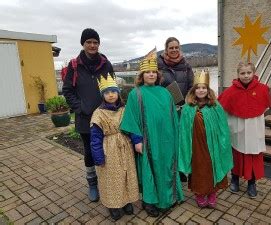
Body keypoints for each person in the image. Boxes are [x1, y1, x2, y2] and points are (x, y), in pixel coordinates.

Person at [120, 55, 184, 217]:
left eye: (153, 72)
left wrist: (176, 137)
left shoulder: (165, 92)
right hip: (148, 141)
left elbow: (173, 116)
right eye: (147, 72)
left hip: (167, 140)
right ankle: (150, 202)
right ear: (141, 76)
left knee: (166, 167)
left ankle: (168, 198)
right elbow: (132, 118)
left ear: (158, 75)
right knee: (150, 170)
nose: (151, 75)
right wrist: (137, 140)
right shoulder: (136, 94)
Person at [63, 28, 114, 202]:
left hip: (106, 117)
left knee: (108, 150)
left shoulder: (106, 63)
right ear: (83, 44)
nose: (92, 45)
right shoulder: (74, 65)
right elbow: (68, 90)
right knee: (90, 152)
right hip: (85, 119)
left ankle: (108, 183)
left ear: (99, 44)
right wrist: (81, 107)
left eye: (95, 42)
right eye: (89, 42)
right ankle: (92, 183)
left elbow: (113, 88)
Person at [178, 70, 233, 208]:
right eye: (198, 88)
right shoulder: (188, 108)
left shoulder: (215, 106)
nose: (201, 90)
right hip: (195, 146)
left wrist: (223, 143)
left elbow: (223, 127)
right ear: (193, 91)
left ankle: (212, 193)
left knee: (212, 167)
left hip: (212, 146)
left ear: (208, 90)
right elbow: (183, 131)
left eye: (204, 88)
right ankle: (200, 194)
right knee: (199, 169)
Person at [218, 62, 271, 198]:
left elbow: (264, 107)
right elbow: (221, 108)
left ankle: (251, 183)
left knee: (253, 155)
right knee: (236, 154)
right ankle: (235, 178)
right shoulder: (230, 91)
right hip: (237, 129)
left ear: (253, 73)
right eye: (243, 73)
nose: (246, 76)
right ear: (238, 74)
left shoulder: (262, 89)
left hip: (254, 129)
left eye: (249, 73)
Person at [90, 75, 139, 221]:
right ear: (102, 95)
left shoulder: (124, 109)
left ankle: (127, 201)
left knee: (126, 175)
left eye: (113, 91)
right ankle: (113, 205)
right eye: (107, 92)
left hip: (125, 147)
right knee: (111, 178)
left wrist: (137, 141)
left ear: (118, 93)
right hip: (109, 150)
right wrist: (98, 156)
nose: (111, 95)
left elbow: (132, 127)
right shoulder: (98, 114)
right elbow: (95, 138)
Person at [158, 37, 194, 182]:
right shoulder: (158, 66)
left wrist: (189, 99)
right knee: (169, 140)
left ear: (179, 48)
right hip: (165, 110)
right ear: (166, 49)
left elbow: (192, 86)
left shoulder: (186, 66)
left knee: (182, 140)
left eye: (176, 47)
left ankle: (181, 169)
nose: (174, 50)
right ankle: (172, 169)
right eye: (171, 48)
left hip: (183, 109)